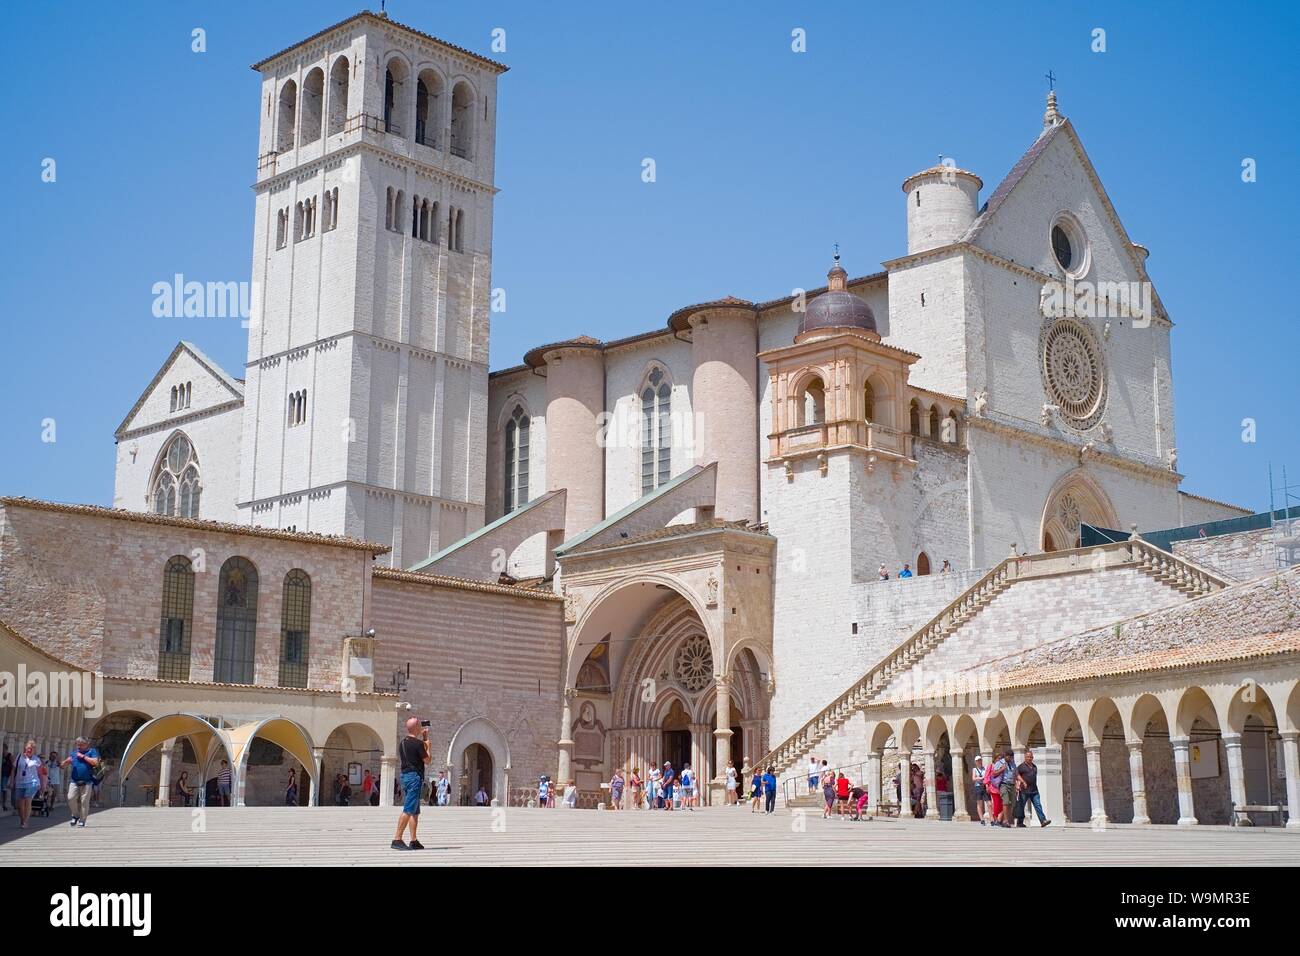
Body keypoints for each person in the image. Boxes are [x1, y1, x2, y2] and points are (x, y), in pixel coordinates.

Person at [391, 716, 431, 850]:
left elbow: (414, 755)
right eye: (420, 726)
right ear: (417, 728)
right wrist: (428, 744)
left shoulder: (402, 743)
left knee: (414, 810)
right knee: (408, 809)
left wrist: (424, 740)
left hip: (405, 776)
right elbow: (427, 760)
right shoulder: (418, 744)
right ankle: (397, 839)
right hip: (415, 778)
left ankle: (413, 840)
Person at [62, 738, 99, 827]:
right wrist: (64, 763)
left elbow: (95, 762)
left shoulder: (92, 751)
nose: (79, 746)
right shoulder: (74, 753)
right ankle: (75, 815)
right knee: (70, 798)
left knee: (84, 801)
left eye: (81, 744)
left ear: (86, 744)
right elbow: (64, 763)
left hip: (87, 781)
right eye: (77, 744)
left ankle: (82, 820)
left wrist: (83, 757)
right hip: (74, 780)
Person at [1014, 750, 1051, 828]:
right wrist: (1021, 782)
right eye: (1028, 757)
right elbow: (1017, 775)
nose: (1029, 758)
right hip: (1024, 790)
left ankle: (1043, 820)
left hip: (1034, 790)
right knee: (1021, 806)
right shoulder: (1021, 766)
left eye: (1031, 757)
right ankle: (1020, 822)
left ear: (1032, 757)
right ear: (1025, 757)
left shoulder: (1034, 767)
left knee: (1038, 805)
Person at [12, 741, 42, 828]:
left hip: (32, 782)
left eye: (31, 749)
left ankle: (25, 821)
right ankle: (22, 819)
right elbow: (13, 769)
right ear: (25, 748)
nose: (29, 750)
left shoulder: (36, 759)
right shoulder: (19, 757)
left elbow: (40, 773)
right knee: (20, 804)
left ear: (34, 750)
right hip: (19, 782)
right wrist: (11, 781)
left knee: (28, 801)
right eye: (28, 748)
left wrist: (43, 784)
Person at [997, 748, 1017, 827]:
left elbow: (1016, 774)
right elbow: (993, 774)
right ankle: (1006, 821)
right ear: (1005, 756)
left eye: (1012, 757)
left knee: (1011, 803)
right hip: (1003, 784)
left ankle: (1003, 819)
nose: (1011, 759)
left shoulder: (1013, 764)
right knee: (1006, 802)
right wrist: (1001, 769)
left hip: (1011, 785)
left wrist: (1021, 781)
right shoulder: (1000, 763)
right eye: (1009, 757)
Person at [970, 754, 988, 825]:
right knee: (979, 803)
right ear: (975, 762)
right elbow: (973, 779)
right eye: (977, 760)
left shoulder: (985, 768)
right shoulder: (974, 769)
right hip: (978, 786)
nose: (979, 761)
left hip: (984, 786)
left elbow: (987, 776)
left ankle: (990, 817)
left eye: (980, 760)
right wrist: (981, 778)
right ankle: (982, 819)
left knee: (989, 803)